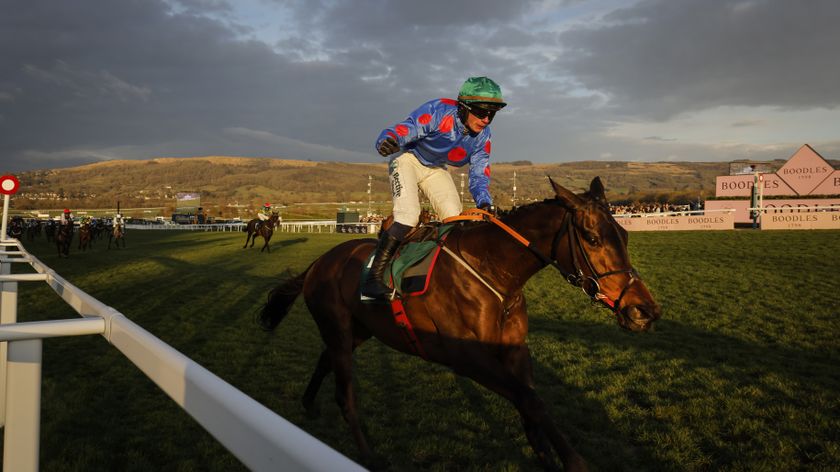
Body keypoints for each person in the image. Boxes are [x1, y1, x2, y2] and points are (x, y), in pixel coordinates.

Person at [361, 76, 506, 300]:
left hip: (436, 168)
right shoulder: (439, 110)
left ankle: (442, 276)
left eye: (492, 114)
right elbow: (405, 129)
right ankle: (373, 278)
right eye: (481, 112)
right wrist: (388, 139)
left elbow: (479, 173)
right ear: (463, 107)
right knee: (408, 215)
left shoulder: (483, 137)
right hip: (408, 159)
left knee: (455, 220)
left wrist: (484, 201)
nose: (486, 119)